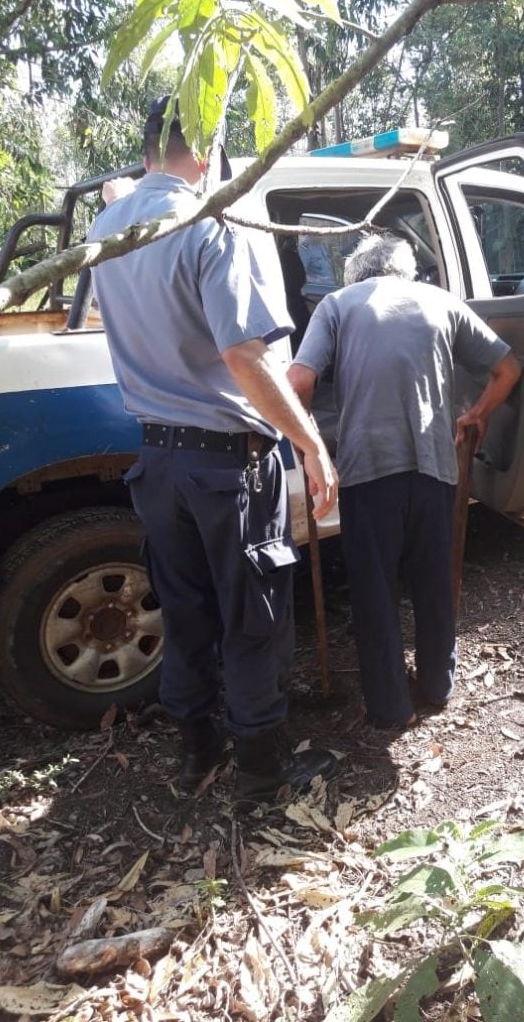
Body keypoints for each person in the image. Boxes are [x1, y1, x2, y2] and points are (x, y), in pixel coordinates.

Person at [88, 97, 339, 800]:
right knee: (254, 619)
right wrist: (311, 442)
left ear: (145, 155)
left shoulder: (107, 228)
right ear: (205, 155)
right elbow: (245, 356)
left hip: (158, 465)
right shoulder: (210, 219)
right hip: (227, 467)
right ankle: (261, 770)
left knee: (187, 613)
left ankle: (196, 754)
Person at [287, 234, 522, 730]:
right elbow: (508, 368)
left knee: (375, 592)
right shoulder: (442, 301)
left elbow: (299, 383)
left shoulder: (335, 305)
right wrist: (476, 415)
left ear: (357, 273)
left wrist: (310, 451)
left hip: (368, 473)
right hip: (435, 469)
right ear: (406, 271)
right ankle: (437, 686)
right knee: (434, 585)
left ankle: (391, 708)